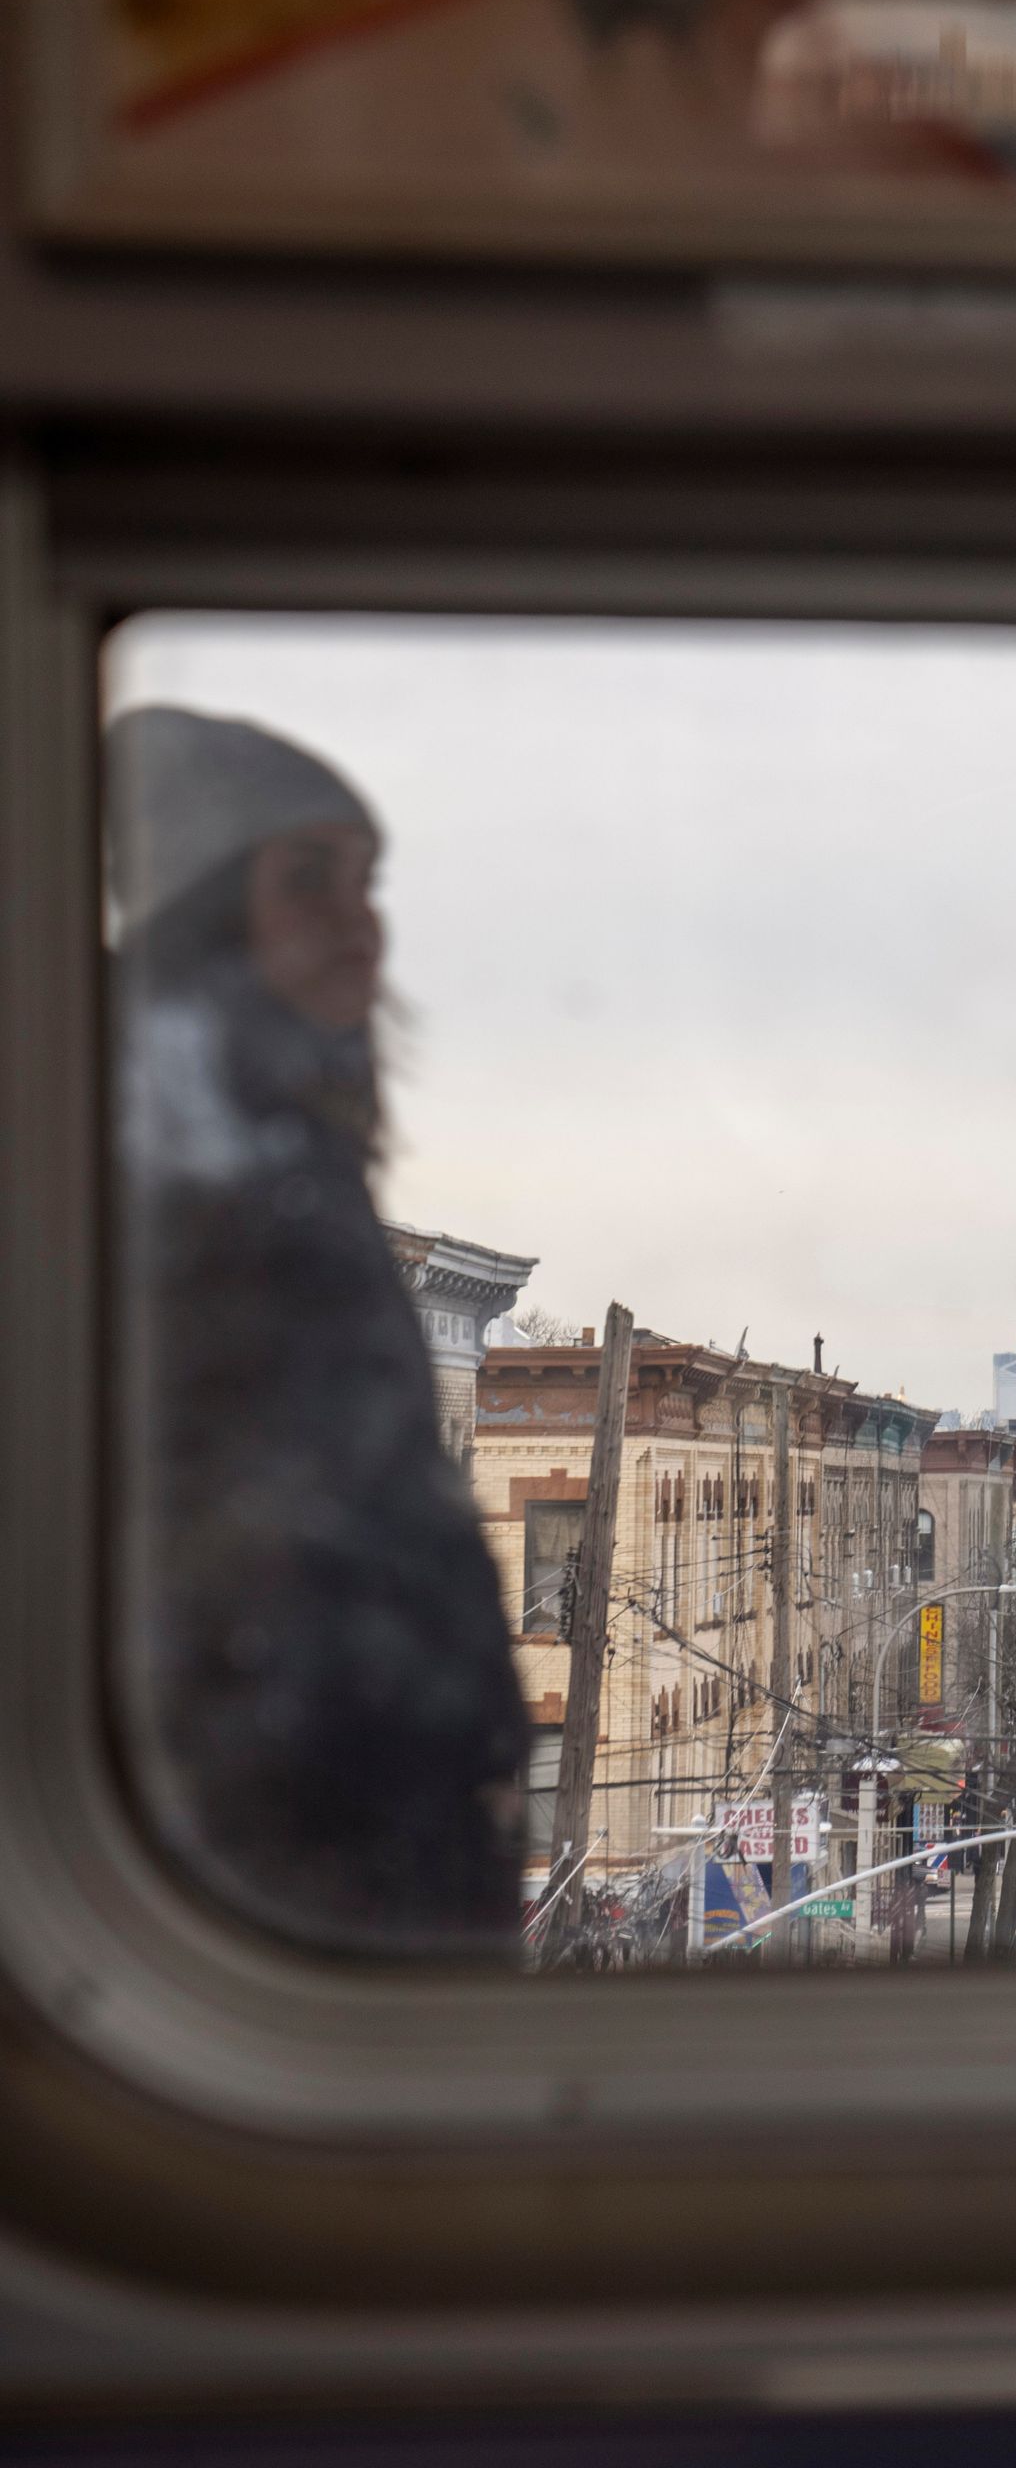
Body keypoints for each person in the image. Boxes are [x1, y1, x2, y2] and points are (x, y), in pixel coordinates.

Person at [111, 706, 531, 1956]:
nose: (365, 924)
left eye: (368, 882)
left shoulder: (272, 1146)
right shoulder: (166, 1175)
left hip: (367, 1804)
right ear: (202, 909)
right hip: (289, 1836)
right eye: (309, 880)